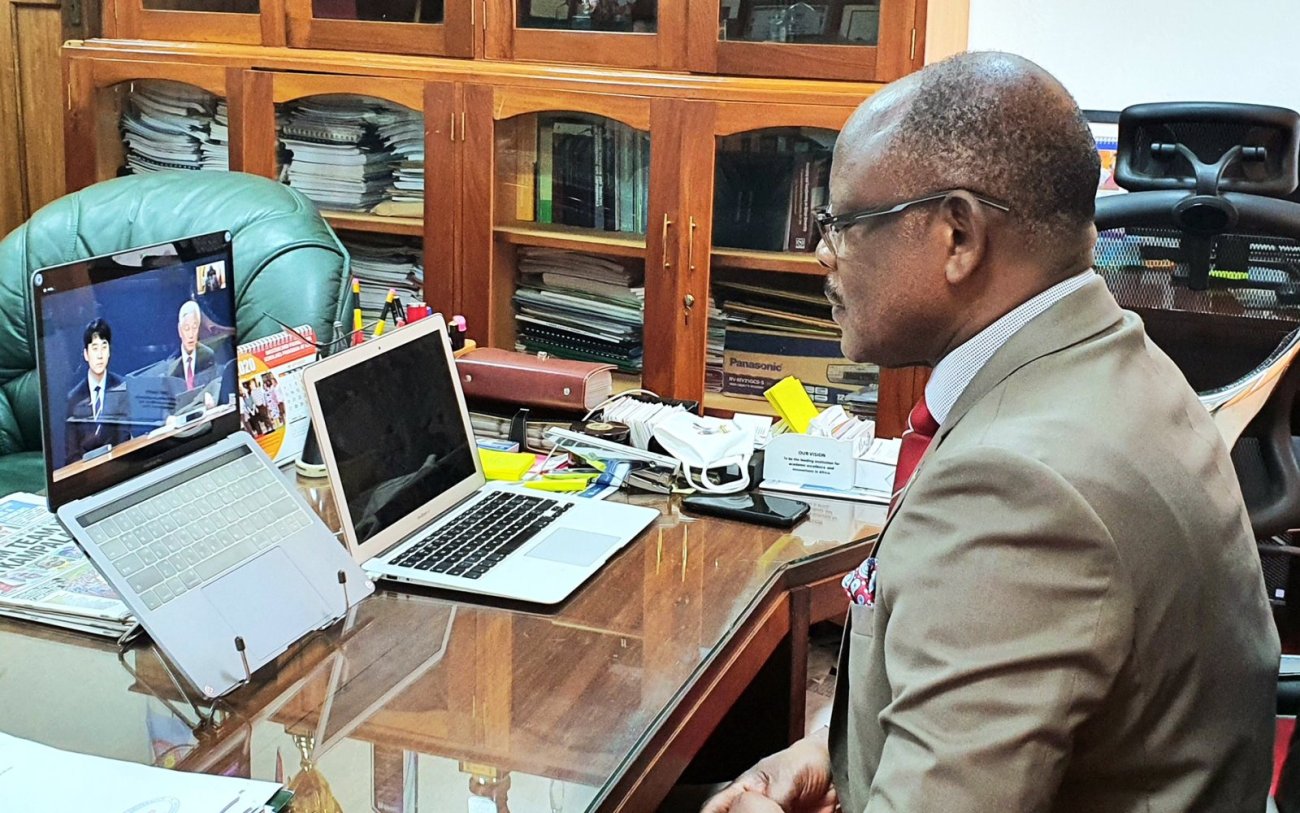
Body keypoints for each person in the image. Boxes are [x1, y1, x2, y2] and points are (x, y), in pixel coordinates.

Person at [704, 51, 1279, 813]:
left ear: (958, 237)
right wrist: (831, 748)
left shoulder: (1018, 485)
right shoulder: (1113, 356)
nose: (824, 252)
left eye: (844, 223)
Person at [65, 318, 130, 464]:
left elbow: (125, 439)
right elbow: (72, 453)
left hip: (119, 467)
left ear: (109, 352)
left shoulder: (122, 387)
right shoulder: (74, 398)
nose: (100, 355)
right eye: (94, 348)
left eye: (104, 347)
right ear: (86, 354)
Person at [165, 300, 215, 389]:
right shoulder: (172, 365)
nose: (191, 335)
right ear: (180, 331)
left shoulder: (208, 355)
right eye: (186, 328)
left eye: (194, 327)